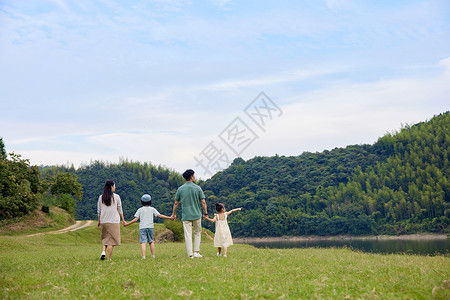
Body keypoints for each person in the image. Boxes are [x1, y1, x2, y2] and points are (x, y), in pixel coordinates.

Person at [171, 169, 208, 258]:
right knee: (197, 233)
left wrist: (174, 214)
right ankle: (196, 252)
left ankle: (190, 254)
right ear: (191, 177)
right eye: (194, 175)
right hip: (196, 214)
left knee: (187, 235)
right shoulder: (197, 188)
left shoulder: (180, 189)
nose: (195, 177)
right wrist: (205, 213)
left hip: (186, 215)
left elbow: (176, 203)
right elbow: (203, 202)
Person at [124, 194, 172, 259]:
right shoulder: (152, 209)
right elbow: (160, 215)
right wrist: (169, 217)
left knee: (143, 243)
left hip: (142, 227)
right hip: (150, 227)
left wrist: (127, 224)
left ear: (142, 202)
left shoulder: (140, 210)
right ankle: (153, 256)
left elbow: (135, 219)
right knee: (151, 242)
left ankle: (143, 257)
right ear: (150, 201)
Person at [97, 180, 126, 261]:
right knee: (112, 241)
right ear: (111, 187)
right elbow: (120, 209)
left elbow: (99, 210)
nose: (115, 187)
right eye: (114, 186)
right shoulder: (116, 197)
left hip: (104, 221)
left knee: (105, 238)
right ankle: (108, 259)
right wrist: (123, 220)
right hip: (114, 221)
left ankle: (103, 251)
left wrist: (99, 221)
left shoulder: (101, 197)